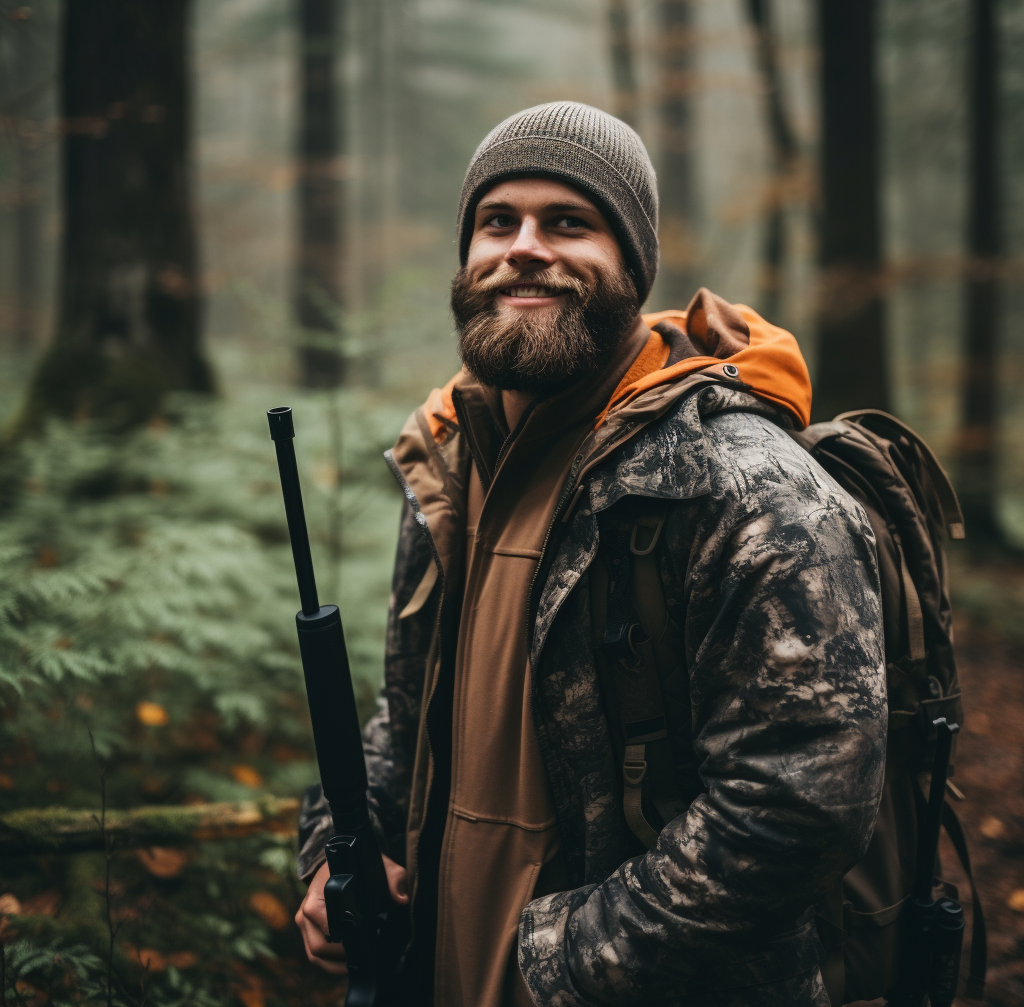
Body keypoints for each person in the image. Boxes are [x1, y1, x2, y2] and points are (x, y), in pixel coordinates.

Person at [293, 101, 887, 1007]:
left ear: (632, 264)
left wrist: (558, 968)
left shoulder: (740, 484)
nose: (522, 247)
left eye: (568, 222)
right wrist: (339, 858)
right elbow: (404, 723)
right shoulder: (449, 462)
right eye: (498, 222)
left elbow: (798, 802)